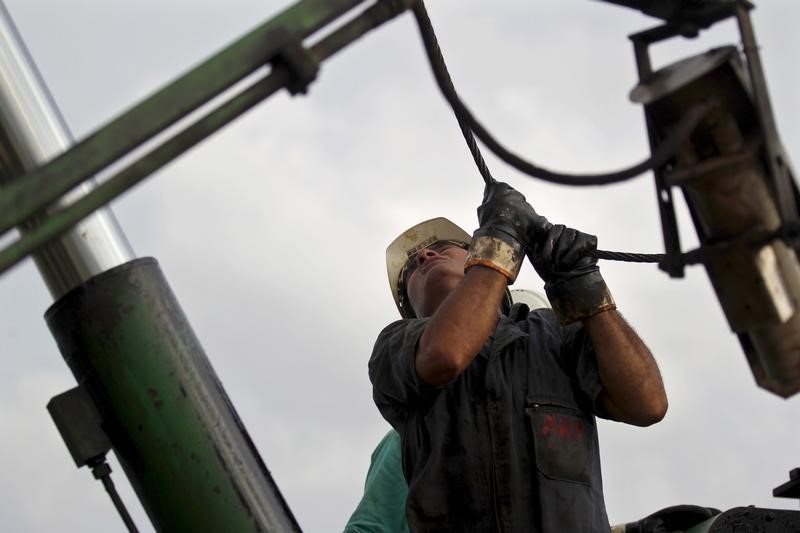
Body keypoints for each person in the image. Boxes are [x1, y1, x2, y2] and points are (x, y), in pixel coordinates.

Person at [368, 181, 668, 532]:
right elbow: (446, 355)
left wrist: (585, 289)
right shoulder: (396, 346)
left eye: (443, 248)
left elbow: (647, 404)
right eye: (410, 272)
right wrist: (500, 237)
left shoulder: (555, 334)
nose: (424, 256)